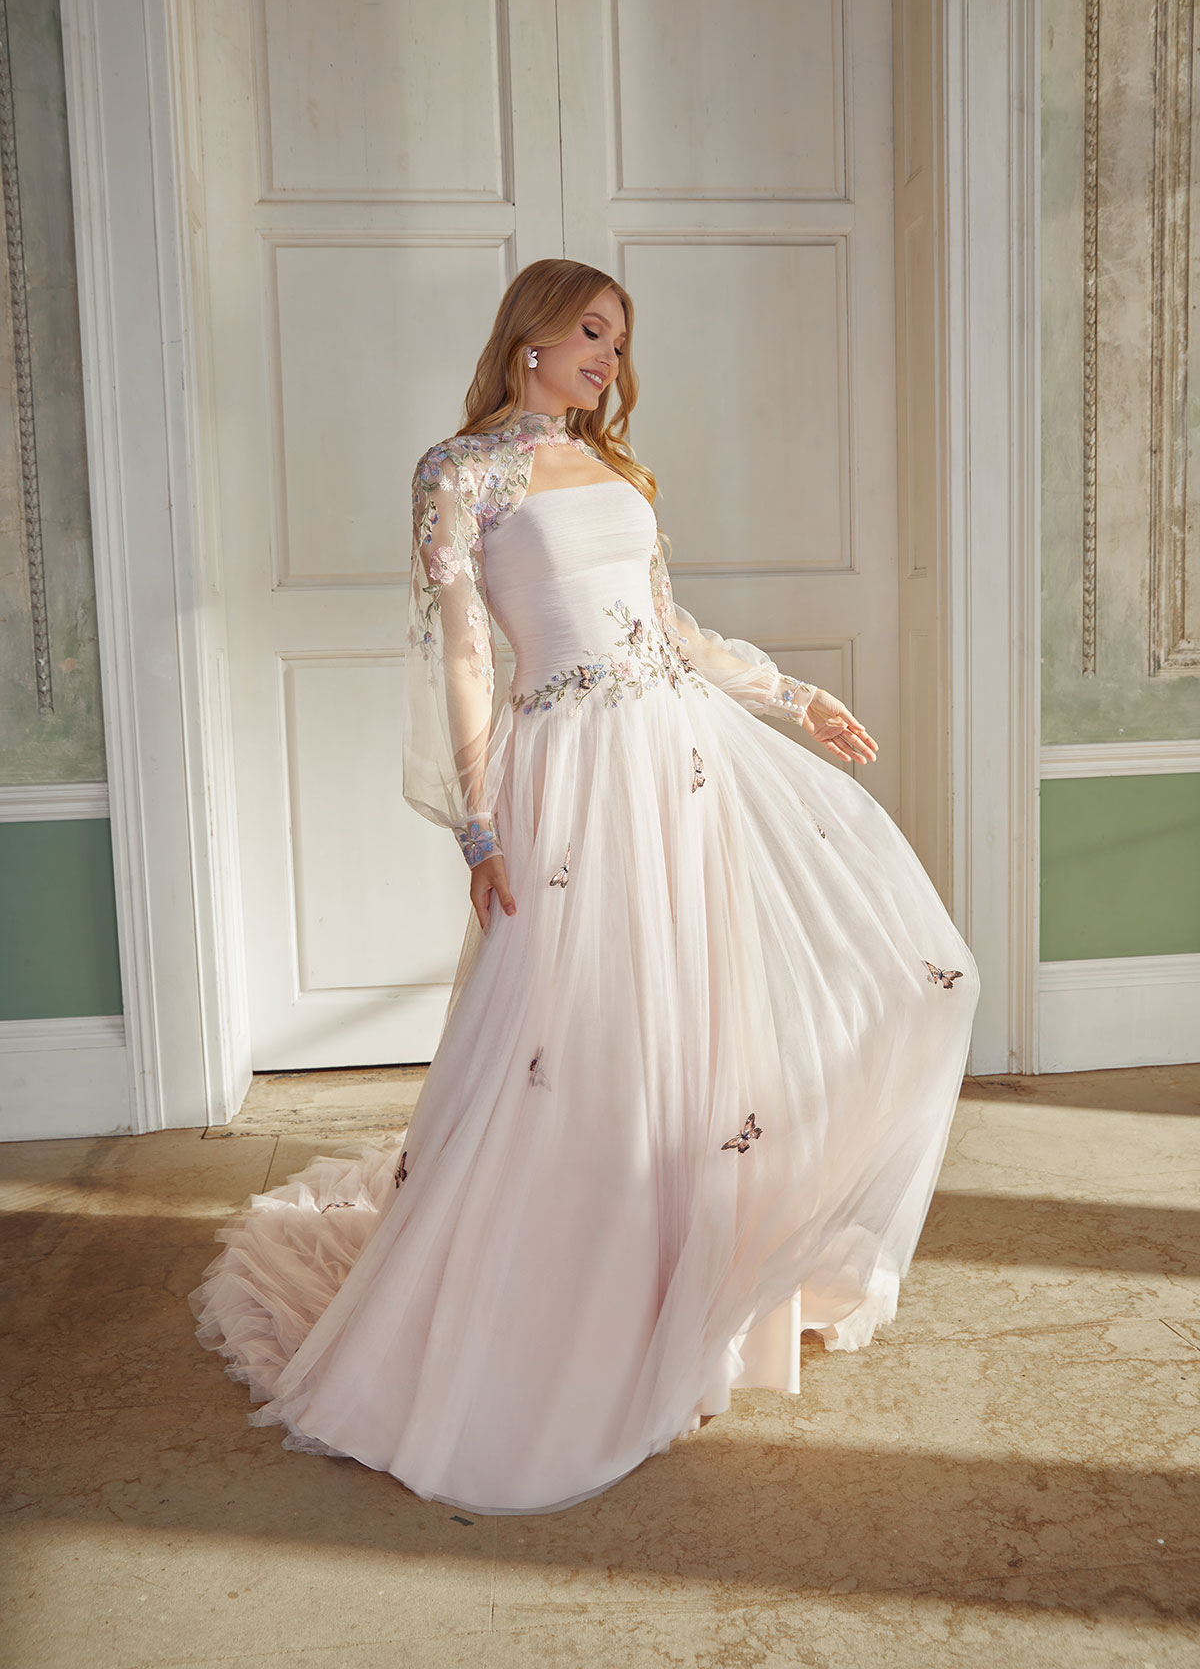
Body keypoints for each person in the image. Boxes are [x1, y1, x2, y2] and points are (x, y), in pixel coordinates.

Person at [188, 258, 979, 1517]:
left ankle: (682, 1286)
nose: (611, 355)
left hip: (680, 762)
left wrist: (789, 695)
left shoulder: (617, 469)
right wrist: (476, 820)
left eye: (621, 338)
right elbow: (459, 649)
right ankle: (561, 1313)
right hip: (568, 775)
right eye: (593, 330)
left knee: (713, 1017)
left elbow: (672, 633)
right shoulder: (461, 471)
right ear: (533, 336)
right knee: (568, 1034)